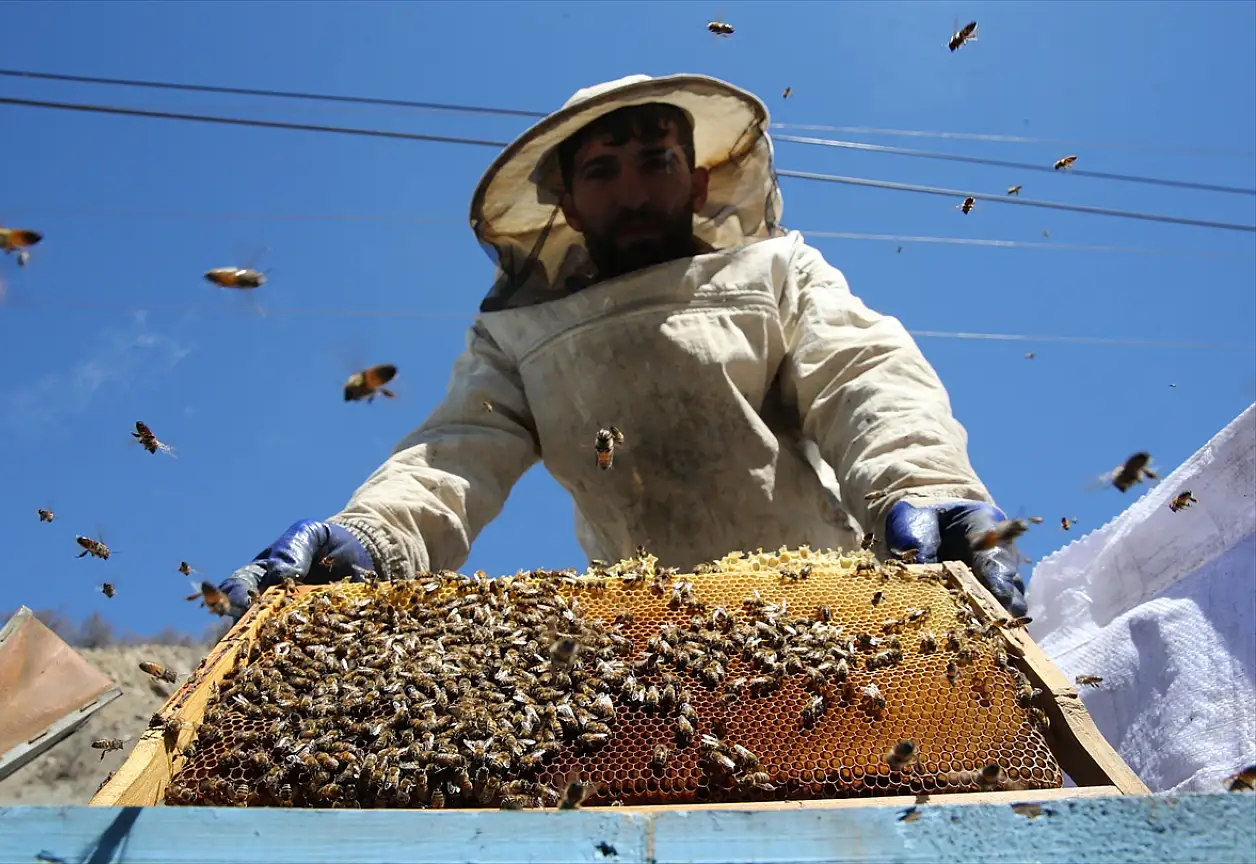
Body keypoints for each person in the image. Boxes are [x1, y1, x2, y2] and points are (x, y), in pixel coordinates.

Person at [220, 73, 1026, 620]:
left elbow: (864, 374)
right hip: (641, 641)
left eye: (656, 161)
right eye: (602, 171)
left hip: (837, 607)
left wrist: (921, 484)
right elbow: (454, 454)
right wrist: (375, 535)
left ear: (699, 181)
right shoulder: (517, 335)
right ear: (567, 202)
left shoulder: (778, 271)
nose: (633, 190)